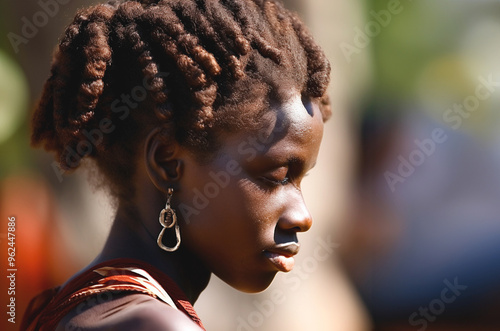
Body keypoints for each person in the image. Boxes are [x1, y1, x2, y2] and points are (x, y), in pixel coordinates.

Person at [21, 0, 331, 329]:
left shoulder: (75, 305)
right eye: (277, 177)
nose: (303, 217)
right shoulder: (154, 324)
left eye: (300, 180)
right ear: (167, 163)